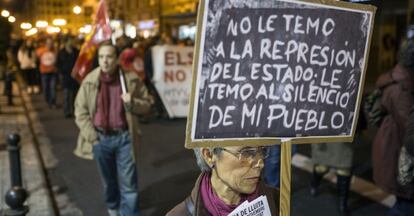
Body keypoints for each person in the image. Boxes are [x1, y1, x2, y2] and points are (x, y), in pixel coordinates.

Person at [74, 42, 153, 216]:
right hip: (100, 139)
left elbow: (148, 104)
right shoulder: (90, 81)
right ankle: (113, 206)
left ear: (117, 59)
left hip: (124, 138)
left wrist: (132, 103)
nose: (105, 61)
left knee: (129, 184)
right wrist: (92, 137)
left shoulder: (130, 79)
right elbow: (80, 111)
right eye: (101, 57)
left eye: (109, 57)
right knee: (109, 182)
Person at [167, 146, 279, 215]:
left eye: (262, 150)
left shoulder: (279, 201)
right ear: (209, 155)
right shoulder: (179, 214)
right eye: (246, 152)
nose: (260, 163)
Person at [372, 38, 414, 216]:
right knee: (405, 206)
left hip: (394, 148)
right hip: (398, 153)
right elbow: (410, 133)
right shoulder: (403, 89)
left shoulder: (398, 76)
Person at [57, 36, 79, 118]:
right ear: (66, 42)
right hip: (66, 76)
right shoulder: (61, 52)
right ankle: (67, 111)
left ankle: (74, 110)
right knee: (66, 95)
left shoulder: (76, 51)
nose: (72, 42)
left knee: (74, 95)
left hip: (74, 77)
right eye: (71, 41)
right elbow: (58, 64)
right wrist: (62, 71)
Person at [36, 38, 58, 108]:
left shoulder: (54, 51)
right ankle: (48, 101)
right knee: (46, 88)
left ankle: (53, 102)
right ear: (46, 43)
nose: (50, 45)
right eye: (48, 43)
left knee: (53, 88)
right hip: (44, 72)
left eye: (51, 43)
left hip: (53, 72)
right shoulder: (40, 50)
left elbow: (57, 60)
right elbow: (36, 57)